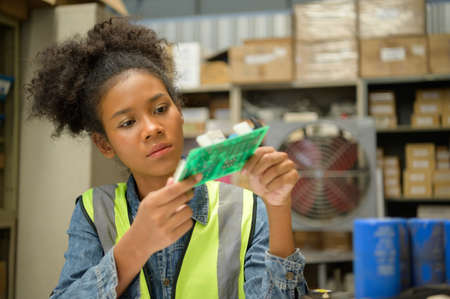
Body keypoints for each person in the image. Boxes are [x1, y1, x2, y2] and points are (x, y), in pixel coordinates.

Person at [28, 17, 308, 298]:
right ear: (104, 144)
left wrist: (279, 207)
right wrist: (136, 245)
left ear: (179, 110)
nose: (152, 128)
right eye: (128, 123)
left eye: (161, 109)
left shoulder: (247, 208)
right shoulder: (93, 212)